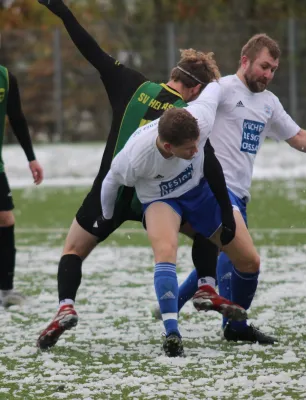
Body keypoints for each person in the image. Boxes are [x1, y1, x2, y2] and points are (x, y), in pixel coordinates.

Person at [36, 0, 244, 351]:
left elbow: (91, 50)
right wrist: (224, 210)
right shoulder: (190, 116)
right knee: (205, 232)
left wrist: (63, 12)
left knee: (73, 248)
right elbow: (208, 164)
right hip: (160, 199)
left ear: (175, 74)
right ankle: (206, 284)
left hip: (112, 192)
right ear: (196, 90)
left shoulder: (130, 83)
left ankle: (65, 306)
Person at [175, 33, 306, 343]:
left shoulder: (268, 103)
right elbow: (192, 118)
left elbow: (298, 137)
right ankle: (233, 326)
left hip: (238, 194)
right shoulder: (222, 90)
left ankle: (178, 303)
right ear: (245, 61)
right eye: (264, 66)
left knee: (225, 255)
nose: (268, 74)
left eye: (273, 69)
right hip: (213, 190)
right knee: (245, 260)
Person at [100, 83, 265, 356]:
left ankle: (219, 306)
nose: (194, 151)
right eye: (188, 149)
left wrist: (226, 210)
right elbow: (110, 183)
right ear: (167, 146)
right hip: (160, 199)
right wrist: (106, 217)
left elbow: (215, 89)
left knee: (249, 260)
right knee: (166, 251)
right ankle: (172, 331)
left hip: (199, 190)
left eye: (197, 144)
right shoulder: (134, 157)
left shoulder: (201, 116)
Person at [0, 65, 44, 308]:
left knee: (5, 219)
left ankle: (6, 291)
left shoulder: (6, 78)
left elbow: (16, 117)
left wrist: (31, 157)